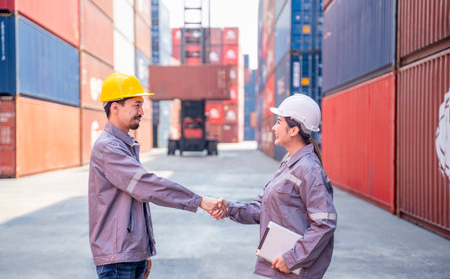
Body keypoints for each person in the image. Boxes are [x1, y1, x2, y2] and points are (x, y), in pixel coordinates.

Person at [89, 73, 219, 279]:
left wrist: (142, 250)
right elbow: (146, 186)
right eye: (136, 105)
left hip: (130, 255)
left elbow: (132, 203)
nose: (142, 111)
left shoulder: (124, 145)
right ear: (115, 107)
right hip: (118, 260)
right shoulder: (108, 148)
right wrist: (199, 201)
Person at [211, 94, 337, 279]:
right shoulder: (289, 163)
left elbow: (325, 223)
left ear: (294, 130)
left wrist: (293, 258)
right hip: (283, 268)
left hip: (296, 271)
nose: (273, 127)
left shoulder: (309, 170)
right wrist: (229, 208)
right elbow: (262, 208)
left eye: (278, 122)